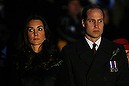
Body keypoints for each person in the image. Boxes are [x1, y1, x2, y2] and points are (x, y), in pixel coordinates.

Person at [57, 4, 129, 86]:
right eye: (91, 21)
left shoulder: (117, 50)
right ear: (83, 23)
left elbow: (123, 82)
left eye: (100, 21)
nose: (96, 25)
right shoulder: (70, 52)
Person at [5, 14, 62, 86]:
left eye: (39, 29)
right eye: (31, 30)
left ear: (45, 33)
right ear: (26, 34)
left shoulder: (56, 58)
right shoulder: (17, 60)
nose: (35, 33)